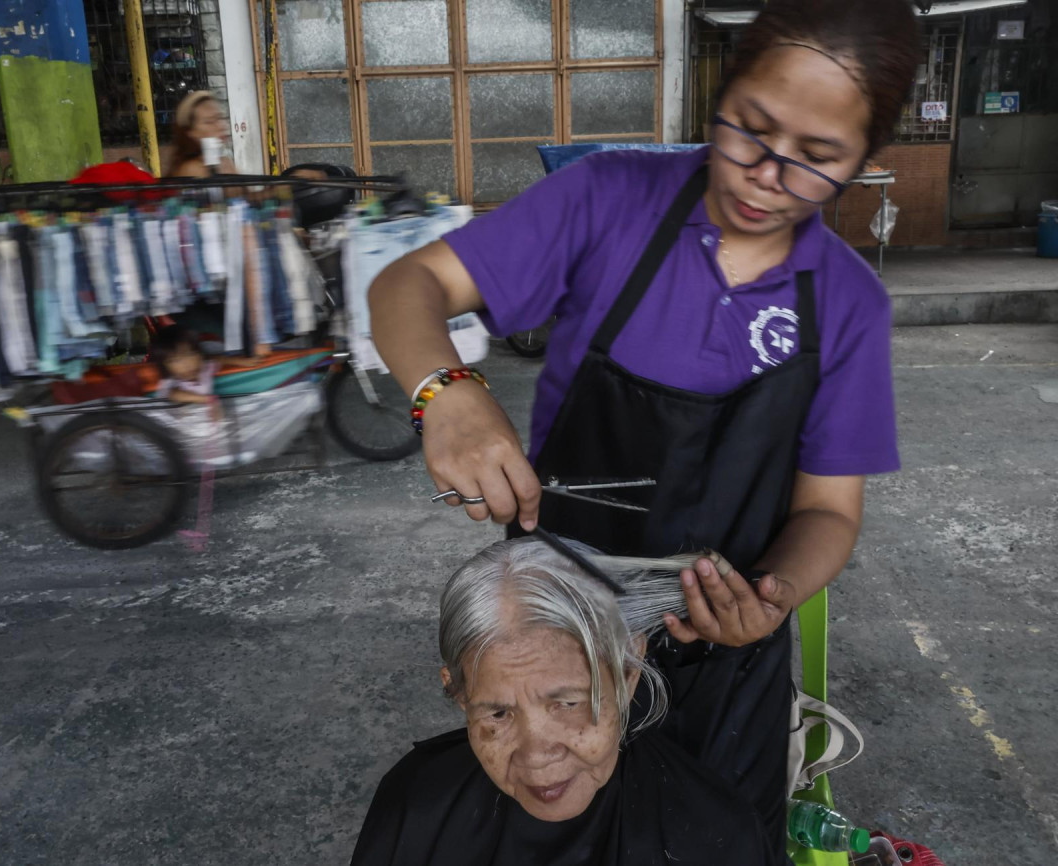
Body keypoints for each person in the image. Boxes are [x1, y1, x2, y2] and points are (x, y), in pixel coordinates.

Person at [366, 0, 919, 852]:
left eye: (816, 159)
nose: (767, 176)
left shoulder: (846, 305)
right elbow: (407, 286)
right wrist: (446, 391)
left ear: (864, 161)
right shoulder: (609, 202)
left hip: (726, 669)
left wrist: (768, 600)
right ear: (719, 94)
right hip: (563, 657)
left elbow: (829, 516)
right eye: (752, 130)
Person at [351, 537, 776, 866]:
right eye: (498, 713)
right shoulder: (415, 808)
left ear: (629, 674)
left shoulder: (716, 834)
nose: (536, 757)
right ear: (460, 693)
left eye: (568, 704)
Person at [166, 90, 238, 179]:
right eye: (209, 121)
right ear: (191, 132)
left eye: (220, 118)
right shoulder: (191, 169)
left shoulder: (226, 163)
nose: (221, 126)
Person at [148, 324, 220, 411]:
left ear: (200, 354)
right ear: (165, 366)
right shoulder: (173, 381)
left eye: (190, 354)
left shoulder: (205, 368)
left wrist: (240, 361)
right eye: (176, 360)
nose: (187, 364)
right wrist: (207, 399)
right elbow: (174, 394)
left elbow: (219, 359)